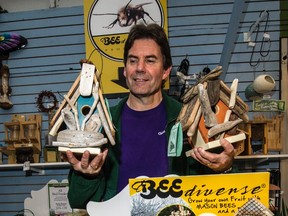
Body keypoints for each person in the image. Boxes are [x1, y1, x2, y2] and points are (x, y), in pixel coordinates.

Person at [65, 23, 236, 209]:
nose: (139, 68)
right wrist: (88, 175)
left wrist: (223, 168)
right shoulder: (101, 124)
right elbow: (78, 201)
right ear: (125, 69)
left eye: (150, 60)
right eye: (132, 60)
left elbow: (209, 193)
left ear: (165, 71)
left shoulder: (190, 119)